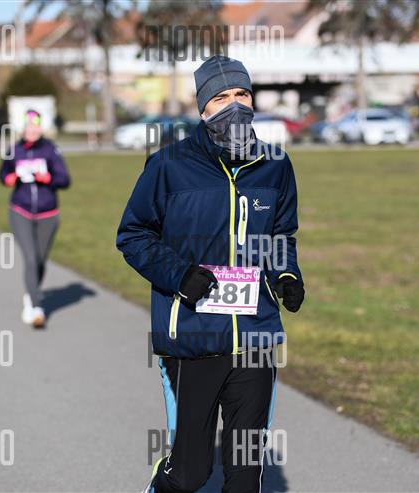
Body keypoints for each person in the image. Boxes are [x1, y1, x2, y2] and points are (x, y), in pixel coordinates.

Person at [117, 55, 305, 493]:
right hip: (192, 336)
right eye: (220, 98)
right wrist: (181, 275)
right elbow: (133, 235)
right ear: (202, 108)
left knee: (244, 476)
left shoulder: (275, 164)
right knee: (190, 474)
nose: (234, 105)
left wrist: (286, 275)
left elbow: (281, 233)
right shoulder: (168, 166)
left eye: (242, 94)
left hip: (255, 336)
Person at [0, 110, 70, 328]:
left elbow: (65, 179)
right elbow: (2, 173)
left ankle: (31, 294)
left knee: (39, 260)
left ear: (41, 128)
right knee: (30, 258)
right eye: (29, 126)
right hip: (20, 210)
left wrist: (48, 178)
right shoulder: (15, 150)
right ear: (23, 128)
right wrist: (9, 178)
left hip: (48, 213)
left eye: (36, 126)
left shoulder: (50, 149)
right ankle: (36, 307)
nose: (32, 130)